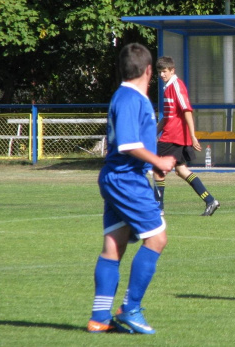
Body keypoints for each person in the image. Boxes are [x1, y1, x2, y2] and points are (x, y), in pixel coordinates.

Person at [88, 43, 176, 334]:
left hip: (118, 177)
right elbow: (128, 144)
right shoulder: (130, 98)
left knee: (114, 245)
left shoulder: (128, 96)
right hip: (127, 180)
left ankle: (99, 318)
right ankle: (130, 308)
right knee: (157, 239)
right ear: (149, 70)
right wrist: (159, 161)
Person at [153, 56, 220, 216]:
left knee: (157, 170)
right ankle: (210, 201)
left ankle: (158, 209)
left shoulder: (176, 86)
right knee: (182, 170)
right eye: (160, 72)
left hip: (173, 136)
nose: (162, 75)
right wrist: (154, 132)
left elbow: (187, 110)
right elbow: (168, 116)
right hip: (174, 135)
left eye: (164, 71)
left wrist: (193, 136)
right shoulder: (168, 87)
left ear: (172, 70)